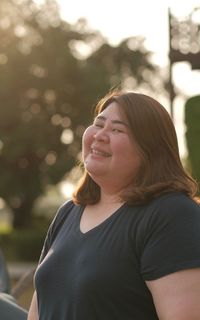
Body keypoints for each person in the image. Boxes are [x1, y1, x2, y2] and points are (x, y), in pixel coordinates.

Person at [28, 90, 200, 320]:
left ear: (150, 150)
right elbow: (37, 311)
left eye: (117, 129)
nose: (100, 135)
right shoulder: (67, 213)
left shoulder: (172, 215)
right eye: (98, 124)